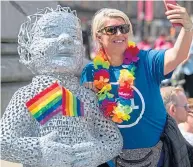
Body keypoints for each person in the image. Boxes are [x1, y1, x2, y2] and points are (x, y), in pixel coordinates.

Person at [0, 6, 123, 167]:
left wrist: (97, 151)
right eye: (51, 34)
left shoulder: (87, 97)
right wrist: (38, 149)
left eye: (74, 36)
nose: (66, 39)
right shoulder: (28, 95)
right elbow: (3, 141)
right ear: (29, 51)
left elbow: (113, 139)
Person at [80, 3, 193, 167]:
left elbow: (178, 55)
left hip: (156, 159)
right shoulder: (91, 71)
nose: (119, 33)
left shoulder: (147, 60)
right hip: (111, 160)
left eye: (124, 28)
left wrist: (187, 27)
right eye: (112, 30)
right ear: (98, 36)